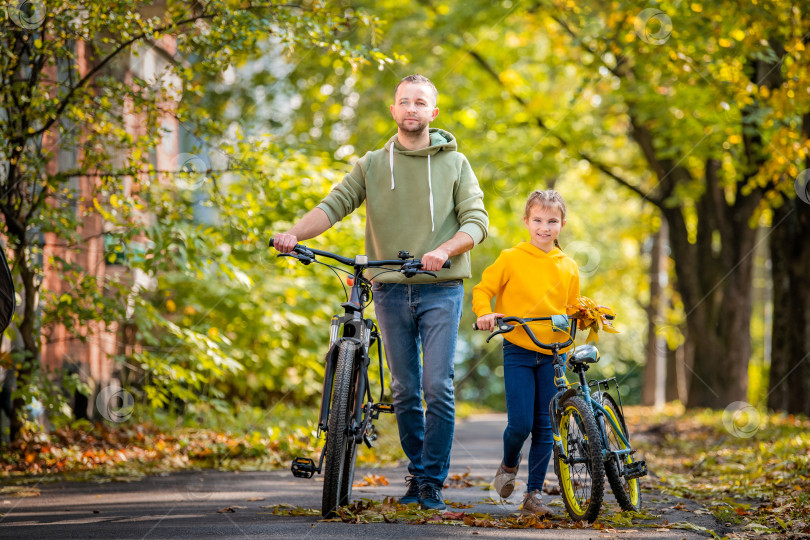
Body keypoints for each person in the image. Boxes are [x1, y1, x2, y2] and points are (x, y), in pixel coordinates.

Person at [273, 74, 488, 510]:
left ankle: (432, 482)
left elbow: (477, 223)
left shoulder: (456, 163)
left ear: (433, 112)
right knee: (406, 390)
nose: (412, 108)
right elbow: (333, 206)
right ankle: (418, 474)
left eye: (420, 102)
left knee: (437, 387)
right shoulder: (372, 163)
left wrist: (443, 250)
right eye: (404, 102)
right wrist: (293, 234)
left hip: (440, 288)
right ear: (393, 111)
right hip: (388, 288)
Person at [472, 189, 580, 516]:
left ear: (562, 224)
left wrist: (587, 320)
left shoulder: (569, 266)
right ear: (526, 221)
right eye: (537, 220)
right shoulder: (511, 257)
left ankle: (533, 496)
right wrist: (484, 313)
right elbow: (484, 289)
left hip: (553, 353)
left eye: (552, 221)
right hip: (518, 348)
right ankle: (508, 464)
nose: (544, 227)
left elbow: (574, 309)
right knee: (520, 424)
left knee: (545, 426)